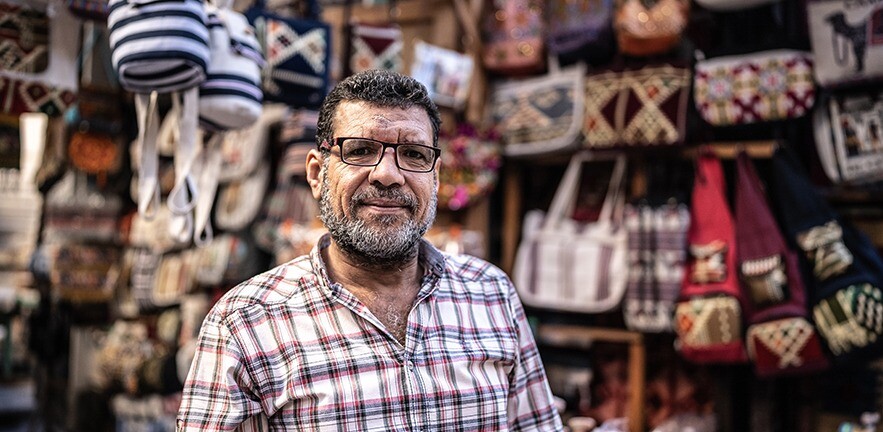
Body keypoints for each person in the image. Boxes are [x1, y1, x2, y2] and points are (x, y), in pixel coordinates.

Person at [176, 69, 564, 431]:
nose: (388, 175)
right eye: (360, 150)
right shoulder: (245, 324)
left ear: (436, 176)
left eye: (414, 154)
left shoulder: (491, 293)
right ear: (316, 174)